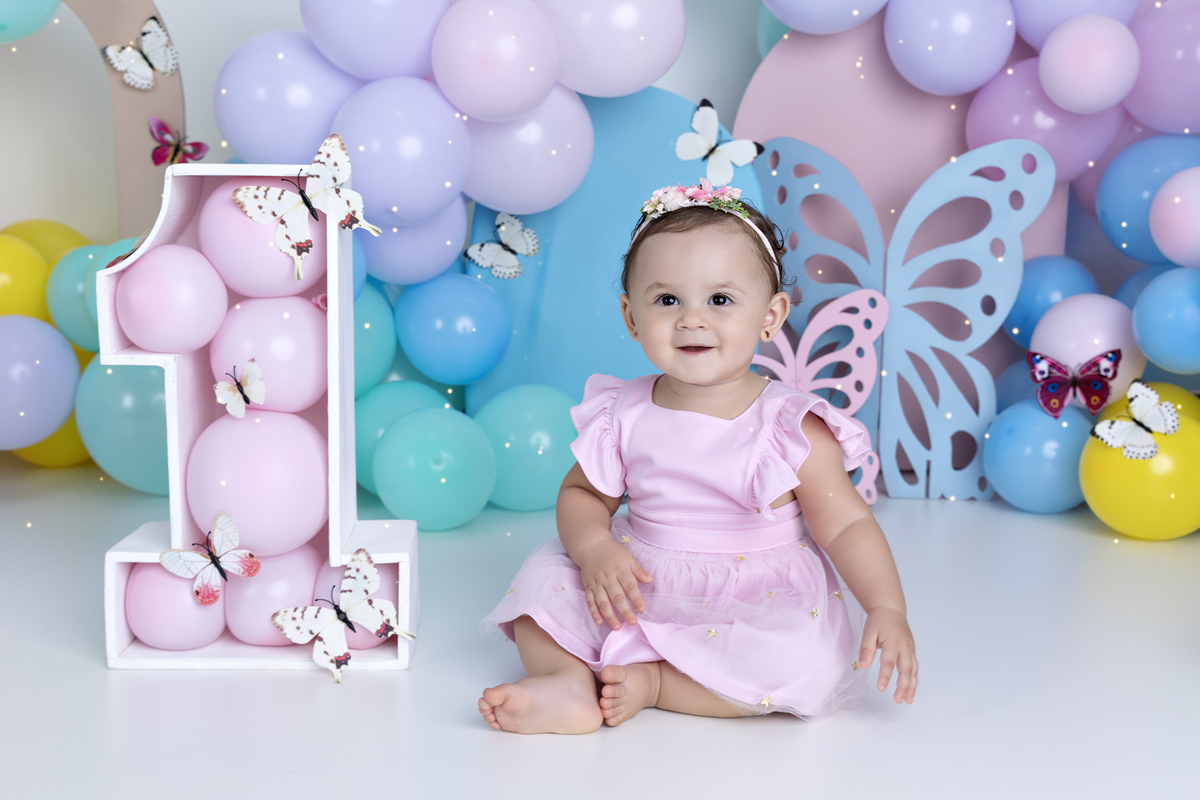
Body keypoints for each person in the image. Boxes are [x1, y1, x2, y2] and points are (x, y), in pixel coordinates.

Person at [478, 181, 917, 734]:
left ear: (771, 315)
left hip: (753, 595)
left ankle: (657, 682)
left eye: (720, 300)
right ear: (631, 316)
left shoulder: (790, 426)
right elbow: (583, 493)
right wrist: (593, 550)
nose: (691, 319)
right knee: (543, 581)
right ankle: (567, 681)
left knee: (802, 658)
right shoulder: (623, 411)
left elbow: (848, 524)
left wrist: (885, 606)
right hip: (636, 578)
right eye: (667, 300)